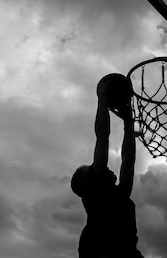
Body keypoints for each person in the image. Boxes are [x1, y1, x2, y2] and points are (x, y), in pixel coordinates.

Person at [71, 74, 144, 258]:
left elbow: (128, 159)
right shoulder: (98, 197)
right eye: (92, 168)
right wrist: (102, 98)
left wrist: (129, 123)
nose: (98, 167)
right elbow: (102, 135)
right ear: (89, 183)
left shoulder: (120, 198)